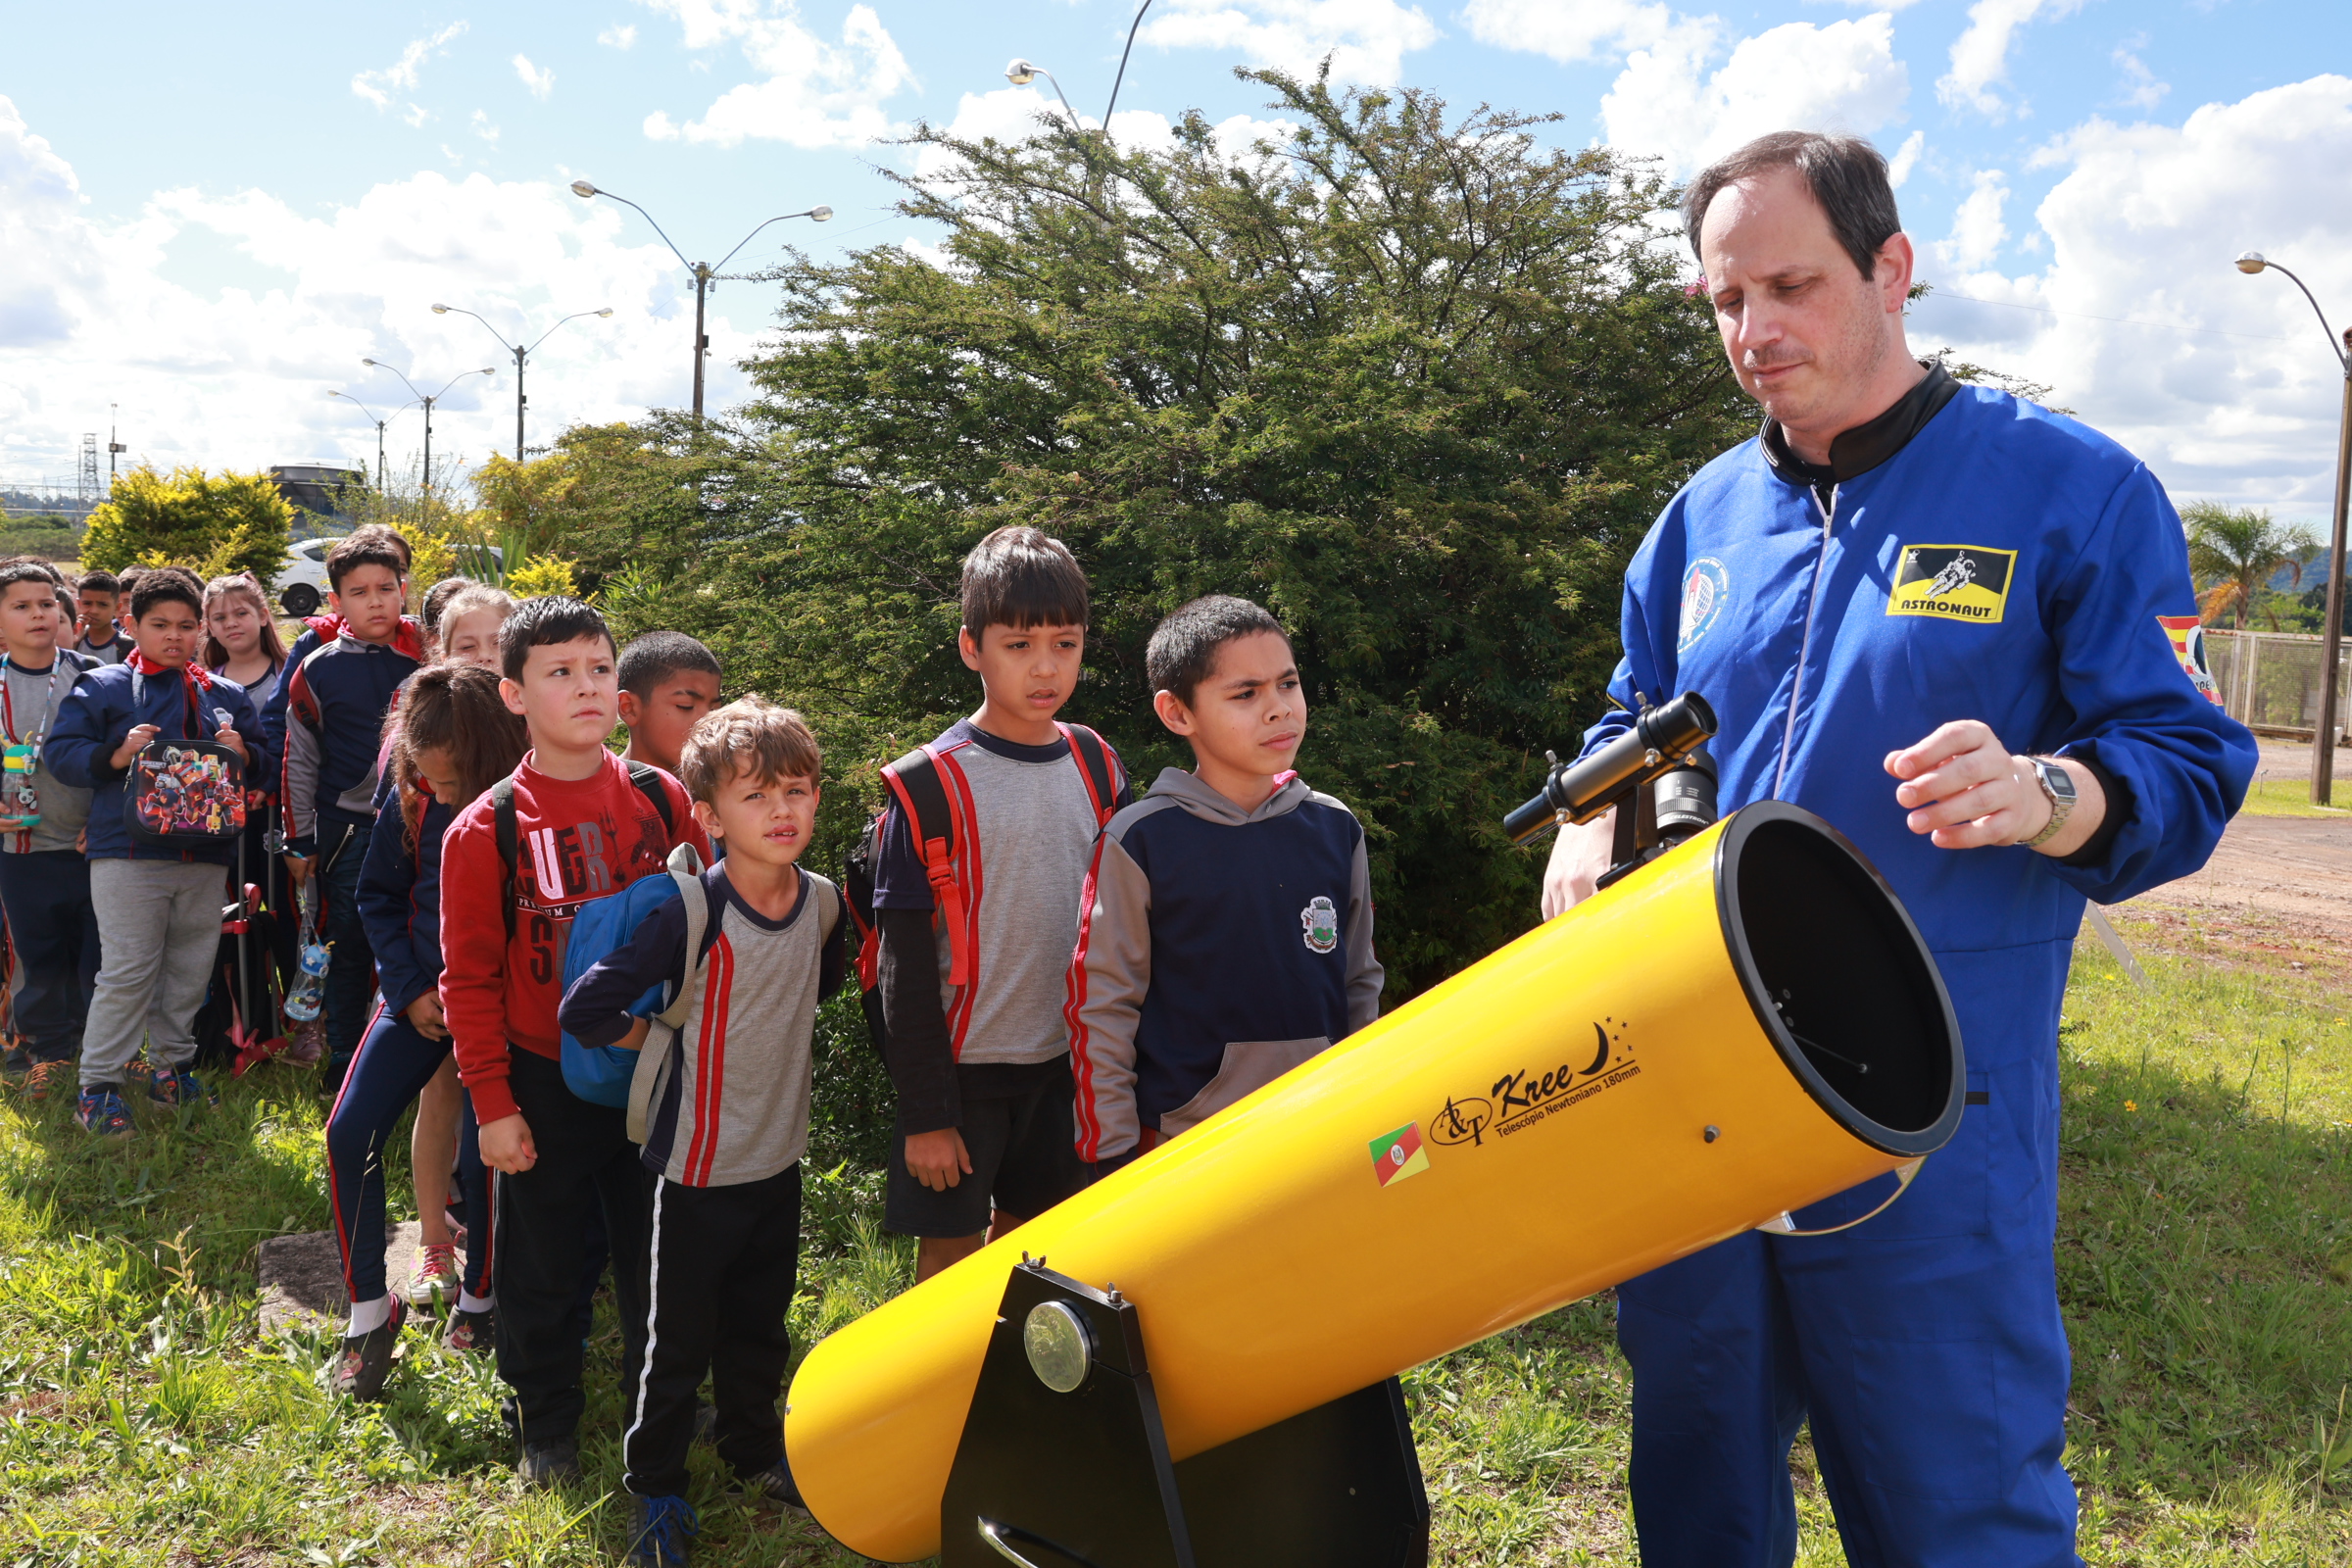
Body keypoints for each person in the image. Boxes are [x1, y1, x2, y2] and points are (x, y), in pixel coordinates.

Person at [1537, 132, 2254, 1568]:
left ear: (1892, 268)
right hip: (1695, 1096)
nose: (1754, 331)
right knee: (1697, 1480)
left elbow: (2186, 755)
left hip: (1934, 1110)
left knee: (1955, 1507)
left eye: (1791, 286)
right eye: (1726, 300)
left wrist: (2050, 791)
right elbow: (1634, 721)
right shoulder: (1698, 522)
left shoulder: (2073, 491)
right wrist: (1585, 816)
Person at [561, 696, 845, 1563]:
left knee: (760, 1323)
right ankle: (655, 1487)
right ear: (712, 816)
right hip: (690, 1170)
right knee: (674, 1343)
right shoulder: (691, 913)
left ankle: (751, 1447)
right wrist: (661, 1043)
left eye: (796, 790)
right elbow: (585, 1009)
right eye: (756, 796)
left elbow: (818, 989)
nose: (781, 810)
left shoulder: (823, 905)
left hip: (777, 1161)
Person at [440, 596, 710, 1485]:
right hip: (542, 1079)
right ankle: (544, 1419)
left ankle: (661, 1402)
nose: (586, 687)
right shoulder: (487, 828)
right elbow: (469, 980)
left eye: (599, 668)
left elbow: (709, 925)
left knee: (657, 1253)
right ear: (515, 694)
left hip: (654, 1068)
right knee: (543, 1262)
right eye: (560, 672)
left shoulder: (661, 797)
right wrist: (493, 1104)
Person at [870, 527, 1130, 1283]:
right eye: (1019, 645)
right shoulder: (927, 784)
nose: (1046, 667)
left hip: (1067, 1065)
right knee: (949, 1266)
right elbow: (901, 972)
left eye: (1065, 644)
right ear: (971, 648)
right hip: (963, 1076)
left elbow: (1127, 925)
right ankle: (935, 1370)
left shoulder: (1097, 762)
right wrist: (927, 1116)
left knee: (1037, 1254)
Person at [1066, 595, 1382, 1170]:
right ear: (1177, 713)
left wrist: (1371, 1108)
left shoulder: (1336, 828)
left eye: (1288, 684)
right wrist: (1110, 1155)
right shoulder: (1140, 841)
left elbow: (1360, 983)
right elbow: (1104, 1007)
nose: (1278, 709)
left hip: (1326, 1131)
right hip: (1187, 1148)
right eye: (1246, 694)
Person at [327, 663, 525, 1397]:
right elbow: (378, 896)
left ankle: (481, 1299)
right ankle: (368, 1312)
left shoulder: (526, 805)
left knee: (483, 1155)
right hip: (418, 998)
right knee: (349, 1132)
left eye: (450, 783)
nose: (438, 795)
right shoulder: (411, 796)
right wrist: (409, 990)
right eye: (428, 780)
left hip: (500, 1013)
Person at [48, 566, 268, 1138]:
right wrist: (116, 755)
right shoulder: (104, 686)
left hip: (206, 855)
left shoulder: (224, 694)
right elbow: (61, 754)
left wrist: (245, 753)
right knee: (127, 970)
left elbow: (266, 760)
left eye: (187, 626)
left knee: (190, 969)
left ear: (201, 630)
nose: (174, 636)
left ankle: (172, 1071)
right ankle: (98, 1086)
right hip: (127, 853)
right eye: (160, 624)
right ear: (133, 624)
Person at [280, 531, 423, 1096]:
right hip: (348, 830)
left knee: (419, 937)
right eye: (359, 593)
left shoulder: (430, 656)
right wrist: (300, 840)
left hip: (423, 824)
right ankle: (343, 1058)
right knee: (349, 943)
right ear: (336, 601)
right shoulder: (316, 668)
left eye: (386, 588)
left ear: (403, 589)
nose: (375, 602)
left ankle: (414, 1059)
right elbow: (299, 759)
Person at [0, 560, 101, 1100]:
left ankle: (96, 1048)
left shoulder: (91, 676)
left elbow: (118, 756)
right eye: (21, 606)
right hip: (21, 849)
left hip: (91, 845)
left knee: (95, 954)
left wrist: (104, 820)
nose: (37, 614)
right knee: (37, 955)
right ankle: (45, 1051)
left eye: (46, 603)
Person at [615, 631, 723, 778]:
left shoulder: (728, 788)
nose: (708, 724)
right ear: (629, 708)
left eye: (714, 710)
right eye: (686, 706)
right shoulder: (596, 788)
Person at [202, 573, 291, 708]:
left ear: (262, 616)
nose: (231, 623)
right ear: (210, 627)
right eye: (220, 618)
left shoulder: (290, 673)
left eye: (241, 613)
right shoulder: (205, 686)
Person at [72, 570, 128, 664]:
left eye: (103, 604)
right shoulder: (74, 640)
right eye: (87, 603)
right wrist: (73, 642)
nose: (94, 611)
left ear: (117, 607)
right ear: (79, 604)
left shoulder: (127, 646)